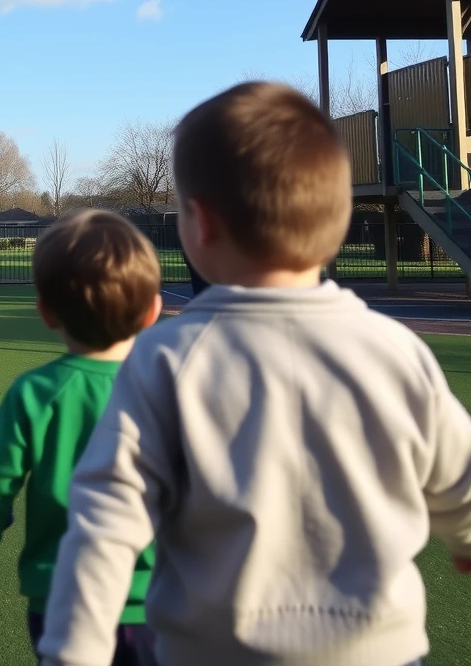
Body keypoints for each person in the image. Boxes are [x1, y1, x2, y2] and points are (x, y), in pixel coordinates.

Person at [40, 82, 471, 666]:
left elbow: (105, 523)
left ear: (201, 224)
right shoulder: (397, 351)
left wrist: (72, 652)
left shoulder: (165, 358)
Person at [0, 209, 163, 665]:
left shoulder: (37, 393)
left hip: (63, 598)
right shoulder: (176, 391)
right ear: (153, 311)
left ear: (46, 312)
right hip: (164, 600)